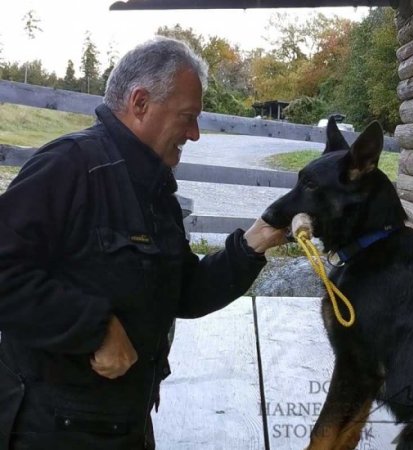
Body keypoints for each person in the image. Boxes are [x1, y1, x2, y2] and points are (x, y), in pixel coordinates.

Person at [0, 37, 287, 450]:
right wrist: (93, 328)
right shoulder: (71, 166)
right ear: (139, 103)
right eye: (188, 117)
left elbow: (183, 292)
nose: (195, 133)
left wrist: (254, 243)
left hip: (125, 425)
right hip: (51, 430)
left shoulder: (152, 189)